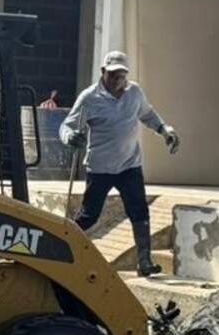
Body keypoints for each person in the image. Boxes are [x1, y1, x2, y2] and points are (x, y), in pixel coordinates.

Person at [59, 51, 179, 277]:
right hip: (100, 167)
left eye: (121, 75)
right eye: (113, 74)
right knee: (89, 215)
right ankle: (63, 246)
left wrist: (165, 131)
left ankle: (144, 262)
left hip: (129, 165)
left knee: (139, 212)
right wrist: (69, 137)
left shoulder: (134, 92)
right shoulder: (89, 98)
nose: (117, 80)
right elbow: (68, 125)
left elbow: (148, 114)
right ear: (103, 72)